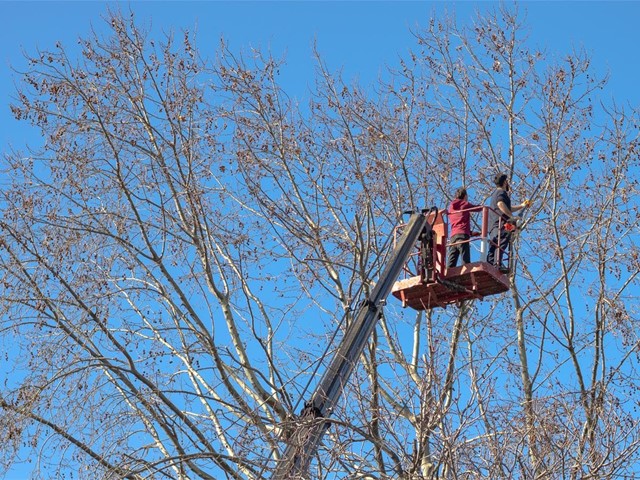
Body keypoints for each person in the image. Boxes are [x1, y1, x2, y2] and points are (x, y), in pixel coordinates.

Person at [486, 173, 530, 272]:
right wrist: (511, 217)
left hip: (493, 224)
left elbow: (507, 208)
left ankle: (491, 263)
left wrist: (522, 205)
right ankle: (497, 263)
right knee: (502, 241)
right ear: (505, 182)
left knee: (495, 243)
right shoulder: (501, 192)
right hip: (500, 223)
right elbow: (500, 204)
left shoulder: (495, 193)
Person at [447, 187, 480, 268]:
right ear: (465, 196)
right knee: (466, 262)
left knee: (451, 264)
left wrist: (471, 233)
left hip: (453, 237)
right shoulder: (464, 204)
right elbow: (478, 208)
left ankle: (446, 278)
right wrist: (485, 207)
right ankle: (467, 275)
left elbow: (458, 223)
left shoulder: (451, 207)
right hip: (462, 236)